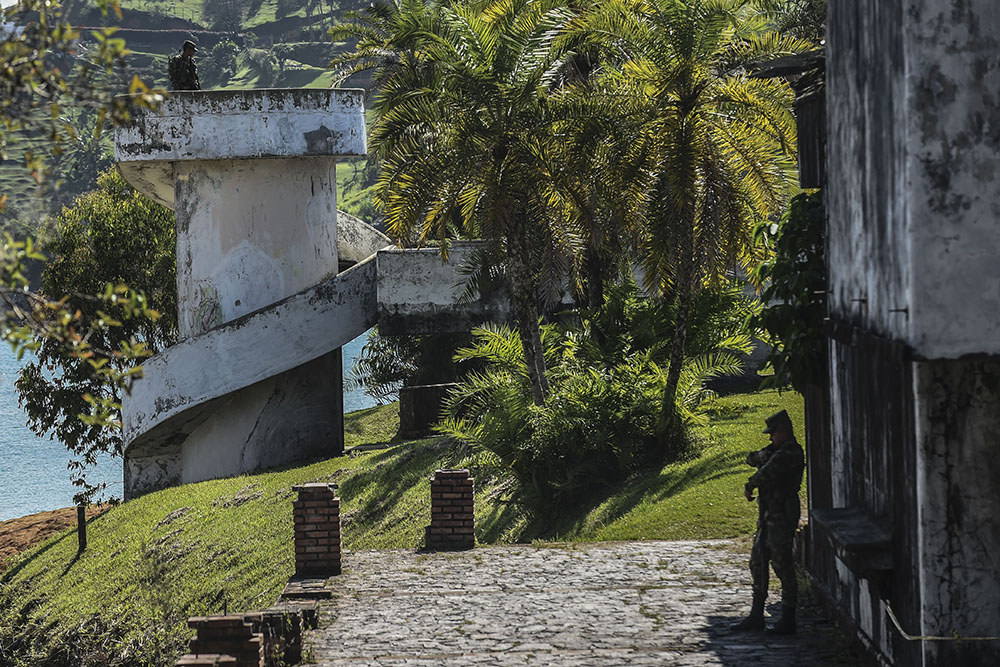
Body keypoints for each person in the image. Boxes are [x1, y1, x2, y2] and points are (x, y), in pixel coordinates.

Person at [730, 408, 805, 635]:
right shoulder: (775, 450)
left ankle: (788, 618)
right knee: (758, 562)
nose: (770, 438)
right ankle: (756, 614)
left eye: (773, 433)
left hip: (782, 516)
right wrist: (760, 457)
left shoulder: (790, 452)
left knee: (783, 566)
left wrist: (750, 483)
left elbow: (767, 472)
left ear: (783, 431)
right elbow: (751, 457)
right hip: (768, 516)